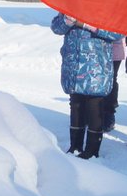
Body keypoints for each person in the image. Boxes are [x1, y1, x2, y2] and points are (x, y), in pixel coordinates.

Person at [51, 11, 120, 159]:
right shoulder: (69, 4)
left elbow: (117, 32)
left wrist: (88, 25)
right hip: (73, 64)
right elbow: (56, 28)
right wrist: (67, 21)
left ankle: (92, 150)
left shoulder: (104, 5)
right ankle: (75, 146)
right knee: (76, 104)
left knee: (94, 105)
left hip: (96, 67)